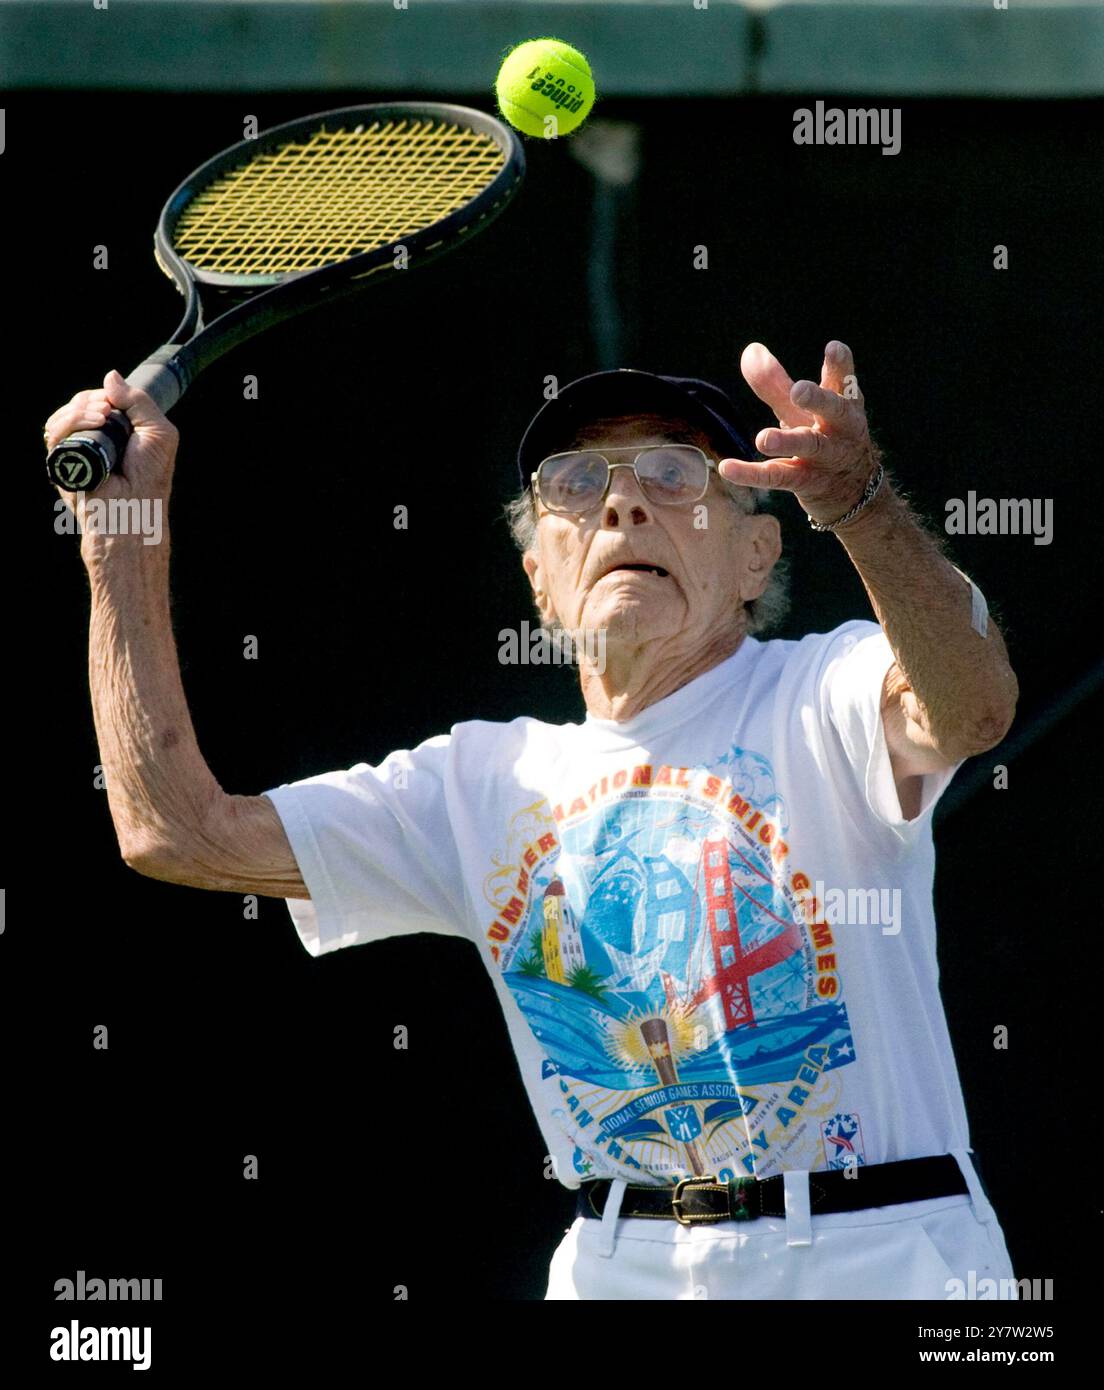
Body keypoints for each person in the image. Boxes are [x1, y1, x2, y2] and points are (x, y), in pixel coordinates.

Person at [45, 339, 1021, 1301]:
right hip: (615, 1268)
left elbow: (974, 706)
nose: (624, 501)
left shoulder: (828, 686)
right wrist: (118, 540)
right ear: (538, 582)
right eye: (575, 482)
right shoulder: (485, 780)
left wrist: (862, 506)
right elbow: (173, 831)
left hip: (885, 1258)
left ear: (757, 555)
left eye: (676, 473)